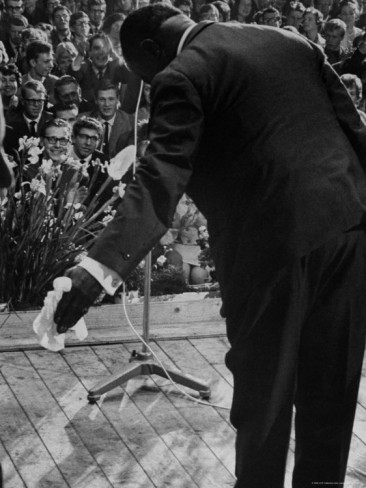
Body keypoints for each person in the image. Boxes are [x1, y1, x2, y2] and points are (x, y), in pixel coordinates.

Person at [54, 4, 366, 487]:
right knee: (332, 389)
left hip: (270, 251)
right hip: (348, 231)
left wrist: (97, 269)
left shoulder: (182, 74)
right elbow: (355, 131)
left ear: (152, 50)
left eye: (142, 72)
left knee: (265, 398)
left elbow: (161, 179)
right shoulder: (291, 41)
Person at [89, 80, 133, 159]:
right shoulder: (86, 120)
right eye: (102, 99)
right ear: (96, 100)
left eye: (111, 99)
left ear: (117, 99)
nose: (107, 104)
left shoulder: (130, 122)